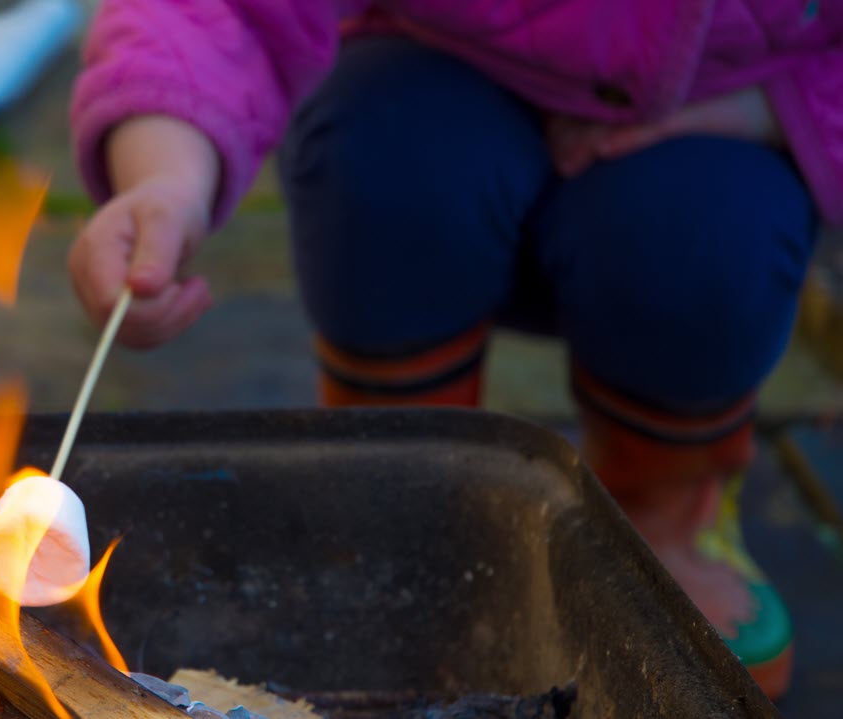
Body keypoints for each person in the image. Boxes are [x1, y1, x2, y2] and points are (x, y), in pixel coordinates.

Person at [65, 0, 842, 699]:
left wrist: (785, 109)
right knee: (380, 162)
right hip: (441, 77)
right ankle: (394, 501)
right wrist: (165, 177)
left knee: (705, 242)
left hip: (728, 109)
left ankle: (661, 512)